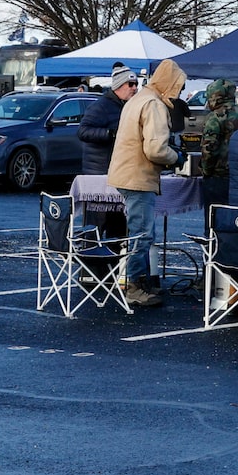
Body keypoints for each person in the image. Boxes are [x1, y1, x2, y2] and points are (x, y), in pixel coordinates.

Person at [105, 59, 187, 311]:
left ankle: (137, 281)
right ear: (170, 83)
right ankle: (134, 287)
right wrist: (177, 156)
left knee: (138, 232)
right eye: (179, 86)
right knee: (141, 235)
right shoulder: (154, 104)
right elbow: (155, 149)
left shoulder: (138, 99)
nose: (179, 91)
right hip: (138, 176)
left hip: (125, 173)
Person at [80, 73, 137, 175]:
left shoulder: (127, 105)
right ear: (118, 85)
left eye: (136, 84)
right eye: (131, 84)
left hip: (118, 168)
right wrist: (110, 133)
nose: (135, 88)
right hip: (99, 169)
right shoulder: (101, 106)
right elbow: (83, 131)